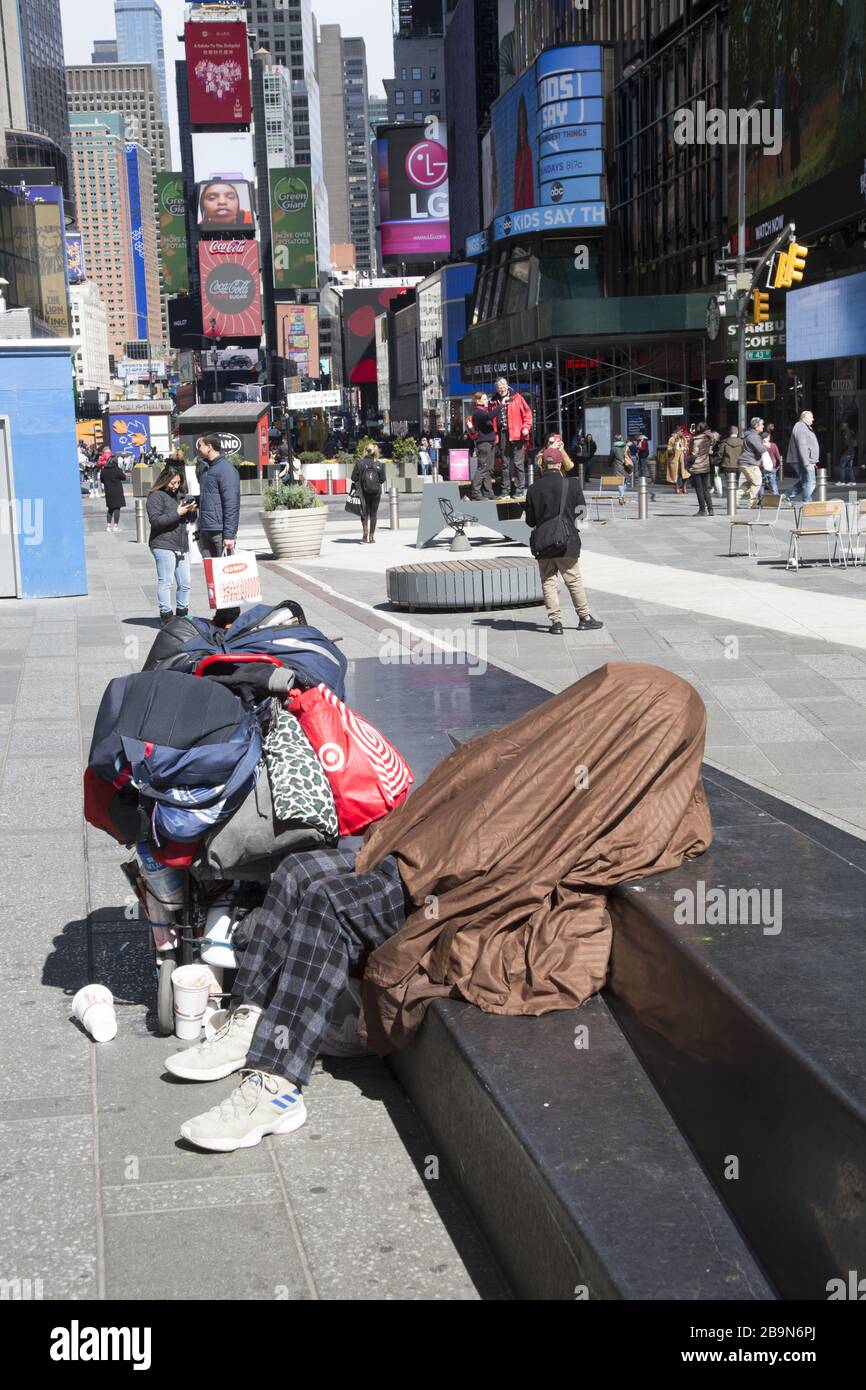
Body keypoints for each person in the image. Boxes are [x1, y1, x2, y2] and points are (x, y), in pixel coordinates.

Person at [524, 445, 604, 636]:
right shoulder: (572, 484)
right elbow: (582, 512)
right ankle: (584, 618)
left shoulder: (533, 489)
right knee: (573, 580)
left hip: (543, 543)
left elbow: (530, 521)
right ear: (560, 464)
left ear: (543, 464)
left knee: (548, 581)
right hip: (566, 541)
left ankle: (556, 622)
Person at [147, 466, 197, 625]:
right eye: (172, 482)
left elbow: (190, 519)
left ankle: (182, 616)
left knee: (185, 583)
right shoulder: (155, 496)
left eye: (178, 483)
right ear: (164, 480)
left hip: (181, 544)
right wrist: (178, 513)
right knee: (166, 581)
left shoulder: (181, 495)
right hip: (163, 543)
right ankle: (166, 617)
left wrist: (191, 510)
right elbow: (156, 521)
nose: (175, 486)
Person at [196, 433, 241, 559]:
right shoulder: (206, 468)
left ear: (209, 447)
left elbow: (231, 504)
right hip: (205, 529)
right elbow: (210, 497)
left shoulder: (226, 470)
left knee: (224, 574)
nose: (198, 449)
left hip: (220, 532)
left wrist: (229, 535)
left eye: (200, 445)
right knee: (210, 574)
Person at [494, 376, 533, 497]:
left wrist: (526, 427)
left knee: (518, 463)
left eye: (503, 387)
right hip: (503, 434)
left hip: (517, 434)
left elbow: (528, 413)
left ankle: (519, 489)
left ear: (507, 386)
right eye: (499, 388)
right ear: (497, 389)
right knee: (505, 464)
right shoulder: (495, 401)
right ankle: (505, 490)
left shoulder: (517, 398)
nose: (502, 390)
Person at [351, 443, 386, 544]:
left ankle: (365, 534)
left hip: (363, 492)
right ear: (375, 451)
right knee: (373, 514)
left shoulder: (360, 463)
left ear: (365, 451)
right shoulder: (379, 464)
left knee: (364, 513)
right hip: (376, 492)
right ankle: (372, 537)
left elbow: (354, 478)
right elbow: (382, 479)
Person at [466, 391, 498, 500]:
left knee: (489, 468)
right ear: (478, 401)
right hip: (483, 443)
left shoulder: (483, 410)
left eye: (486, 398)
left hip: (489, 441)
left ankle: (488, 492)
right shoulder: (478, 412)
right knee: (482, 467)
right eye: (484, 399)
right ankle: (476, 492)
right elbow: (489, 416)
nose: (486, 400)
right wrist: (502, 405)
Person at [786, 409, 820, 503]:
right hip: (803, 460)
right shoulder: (801, 427)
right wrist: (806, 462)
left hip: (805, 460)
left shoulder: (804, 427)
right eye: (811, 417)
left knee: (805, 481)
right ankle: (807, 501)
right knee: (810, 481)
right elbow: (802, 445)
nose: (813, 419)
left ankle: (787, 497)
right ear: (805, 418)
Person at [689, 422, 719, 516]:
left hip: (697, 467)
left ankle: (702, 510)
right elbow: (714, 438)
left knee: (699, 489)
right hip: (705, 466)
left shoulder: (696, 440)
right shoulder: (709, 438)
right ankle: (711, 509)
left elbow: (694, 454)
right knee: (705, 488)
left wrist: (688, 461)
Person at [736, 416, 767, 508]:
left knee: (750, 483)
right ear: (756, 426)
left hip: (745, 462)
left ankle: (734, 498)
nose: (763, 426)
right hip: (749, 462)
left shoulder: (750, 435)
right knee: (757, 481)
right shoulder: (754, 436)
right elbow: (761, 449)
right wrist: (765, 445)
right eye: (761, 424)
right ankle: (752, 503)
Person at [514, 93, 534, 210]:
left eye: (524, 125)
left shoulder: (528, 152)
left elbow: (528, 186)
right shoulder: (518, 155)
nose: (522, 130)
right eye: (520, 125)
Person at [101, 454, 127, 533]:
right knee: (117, 509)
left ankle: (108, 526)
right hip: (117, 491)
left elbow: (102, 480)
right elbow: (124, 477)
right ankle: (115, 526)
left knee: (110, 509)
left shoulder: (104, 470)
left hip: (108, 491)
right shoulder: (117, 469)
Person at [666, 424, 691, 494]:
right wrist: (674, 448)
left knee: (686, 474)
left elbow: (687, 447)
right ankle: (677, 488)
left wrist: (685, 449)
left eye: (683, 431)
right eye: (681, 431)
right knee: (677, 474)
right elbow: (668, 449)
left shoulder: (684, 438)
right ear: (678, 431)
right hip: (675, 459)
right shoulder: (672, 439)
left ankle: (684, 487)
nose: (683, 433)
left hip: (683, 459)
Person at [758, 431, 781, 498]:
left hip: (761, 467)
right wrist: (777, 465)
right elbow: (777, 457)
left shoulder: (759, 445)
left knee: (761, 484)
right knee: (773, 483)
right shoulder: (773, 445)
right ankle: (775, 499)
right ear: (767, 437)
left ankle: (760, 499)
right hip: (771, 467)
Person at [610, 433, 630, 504]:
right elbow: (629, 456)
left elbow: (611, 458)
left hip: (617, 466)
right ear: (621, 439)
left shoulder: (613, 448)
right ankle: (623, 496)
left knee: (619, 482)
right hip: (625, 466)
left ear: (615, 440)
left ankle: (621, 496)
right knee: (624, 481)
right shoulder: (626, 447)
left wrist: (609, 465)